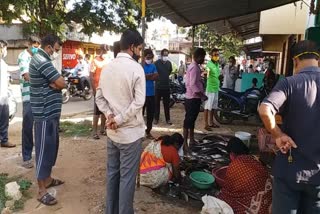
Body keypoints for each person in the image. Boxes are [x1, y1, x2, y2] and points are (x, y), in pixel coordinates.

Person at [259, 40, 320, 214]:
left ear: (295, 61)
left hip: (289, 171)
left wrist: (278, 134)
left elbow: (264, 110)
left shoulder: (289, 83)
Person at [95, 29, 145, 214]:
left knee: (113, 175)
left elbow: (99, 98)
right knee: (127, 180)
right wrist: (117, 118)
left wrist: (109, 116)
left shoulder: (108, 67)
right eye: (139, 49)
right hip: (129, 134)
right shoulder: (135, 68)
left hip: (112, 132)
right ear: (132, 47)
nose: (140, 53)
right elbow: (139, 102)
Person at [29, 34, 66, 206]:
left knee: (51, 149)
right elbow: (61, 82)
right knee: (43, 151)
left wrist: (56, 83)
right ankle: (41, 191)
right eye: (56, 49)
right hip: (43, 114)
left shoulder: (44, 60)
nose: (56, 52)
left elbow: (58, 82)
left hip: (50, 114)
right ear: (49, 47)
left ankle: (49, 179)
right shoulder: (40, 60)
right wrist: (57, 84)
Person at [217, 137, 272, 213]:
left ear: (232, 153)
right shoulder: (254, 159)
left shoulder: (235, 165)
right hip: (269, 201)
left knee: (223, 197)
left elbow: (228, 190)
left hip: (255, 207)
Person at [17, 36, 41, 168]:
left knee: (38, 127)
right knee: (27, 127)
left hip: (38, 96)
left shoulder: (36, 58)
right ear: (28, 44)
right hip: (28, 97)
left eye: (37, 47)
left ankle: (38, 155)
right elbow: (26, 76)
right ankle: (26, 157)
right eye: (34, 46)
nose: (35, 49)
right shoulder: (23, 56)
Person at [183, 48, 207, 152]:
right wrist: (202, 95)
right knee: (188, 121)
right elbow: (192, 84)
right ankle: (185, 143)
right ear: (198, 56)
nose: (203, 59)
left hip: (194, 98)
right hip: (192, 98)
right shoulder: (194, 68)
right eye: (203, 57)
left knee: (192, 121)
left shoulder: (195, 67)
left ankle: (191, 140)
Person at [90, 44, 108, 140]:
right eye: (103, 51)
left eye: (106, 52)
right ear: (100, 50)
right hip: (97, 89)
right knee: (96, 112)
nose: (104, 53)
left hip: (106, 90)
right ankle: (94, 132)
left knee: (104, 111)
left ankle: (102, 129)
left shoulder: (108, 61)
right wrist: (94, 89)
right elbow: (91, 76)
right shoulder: (95, 61)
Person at [0, 40, 16, 148]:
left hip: (4, 94)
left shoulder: (2, 62)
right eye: (5, 48)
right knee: (3, 118)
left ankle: (4, 139)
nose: (6, 51)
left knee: (4, 118)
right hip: (1, 95)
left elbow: (9, 71)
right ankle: (4, 139)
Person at [143, 49, 158, 139]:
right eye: (148, 57)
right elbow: (141, 77)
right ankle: (140, 133)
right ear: (144, 57)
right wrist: (150, 76)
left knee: (150, 114)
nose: (149, 59)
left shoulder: (153, 65)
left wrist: (146, 76)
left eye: (151, 58)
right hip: (142, 94)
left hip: (151, 94)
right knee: (140, 114)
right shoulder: (140, 66)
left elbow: (156, 76)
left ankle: (148, 131)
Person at [204, 48, 221, 131]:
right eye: (215, 55)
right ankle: (206, 124)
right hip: (210, 89)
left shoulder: (217, 64)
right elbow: (207, 72)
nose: (216, 56)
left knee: (213, 107)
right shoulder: (209, 64)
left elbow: (217, 75)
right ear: (211, 56)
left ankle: (211, 122)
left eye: (217, 55)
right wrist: (206, 73)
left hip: (216, 89)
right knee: (207, 107)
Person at [154, 49, 173, 125]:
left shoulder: (169, 63)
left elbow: (169, 71)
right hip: (158, 87)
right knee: (156, 104)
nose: (165, 56)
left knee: (166, 105)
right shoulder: (156, 63)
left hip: (166, 87)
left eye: (167, 55)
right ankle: (156, 119)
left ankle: (168, 119)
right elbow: (154, 73)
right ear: (161, 55)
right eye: (164, 55)